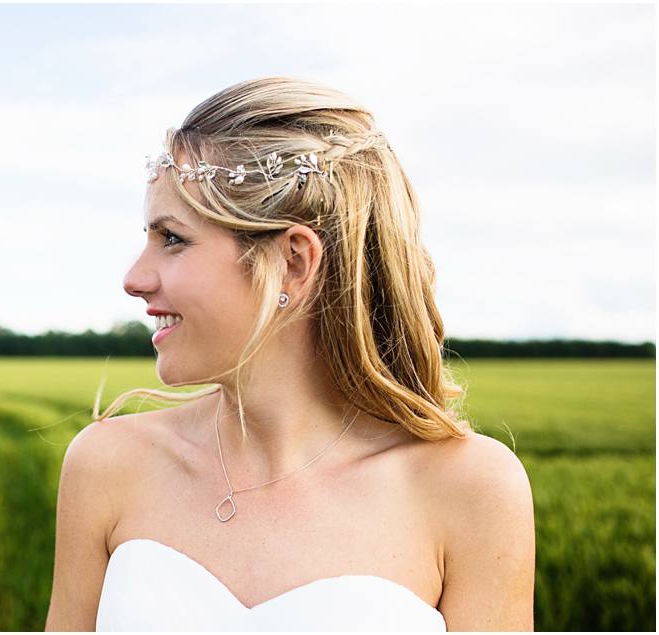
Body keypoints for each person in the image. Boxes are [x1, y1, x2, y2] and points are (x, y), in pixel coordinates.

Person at [44, 77, 535, 631]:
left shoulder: (473, 490)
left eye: (173, 239)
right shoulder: (107, 465)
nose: (134, 279)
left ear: (294, 262)